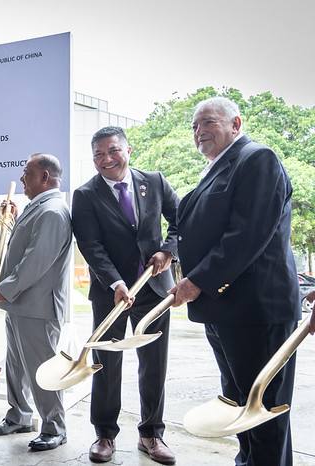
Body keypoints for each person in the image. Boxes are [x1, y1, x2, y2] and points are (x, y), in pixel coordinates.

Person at [172, 97, 299, 466]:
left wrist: (197, 281)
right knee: (238, 406)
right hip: (225, 310)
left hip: (257, 310)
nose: (199, 132)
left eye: (208, 122)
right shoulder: (218, 166)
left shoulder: (257, 159)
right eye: (194, 126)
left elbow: (248, 234)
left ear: (236, 124)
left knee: (263, 410)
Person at [73, 126, 178, 464]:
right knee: (106, 363)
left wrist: (168, 251)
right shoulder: (85, 195)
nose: (106, 159)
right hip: (111, 293)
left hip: (154, 290)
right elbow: (91, 245)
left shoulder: (155, 181)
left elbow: (182, 221)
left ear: (128, 149)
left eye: (113, 151)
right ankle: (104, 434)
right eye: (99, 155)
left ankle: (151, 434)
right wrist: (115, 282)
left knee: (154, 365)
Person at [0, 154, 72, 451]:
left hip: (38, 306)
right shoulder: (40, 208)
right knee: (17, 365)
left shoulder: (53, 211)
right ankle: (19, 415)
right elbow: (24, 247)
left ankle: (54, 427)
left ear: (44, 177)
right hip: (21, 304)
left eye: (26, 173)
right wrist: (12, 219)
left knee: (42, 368)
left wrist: (7, 288)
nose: (22, 179)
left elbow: (37, 260)